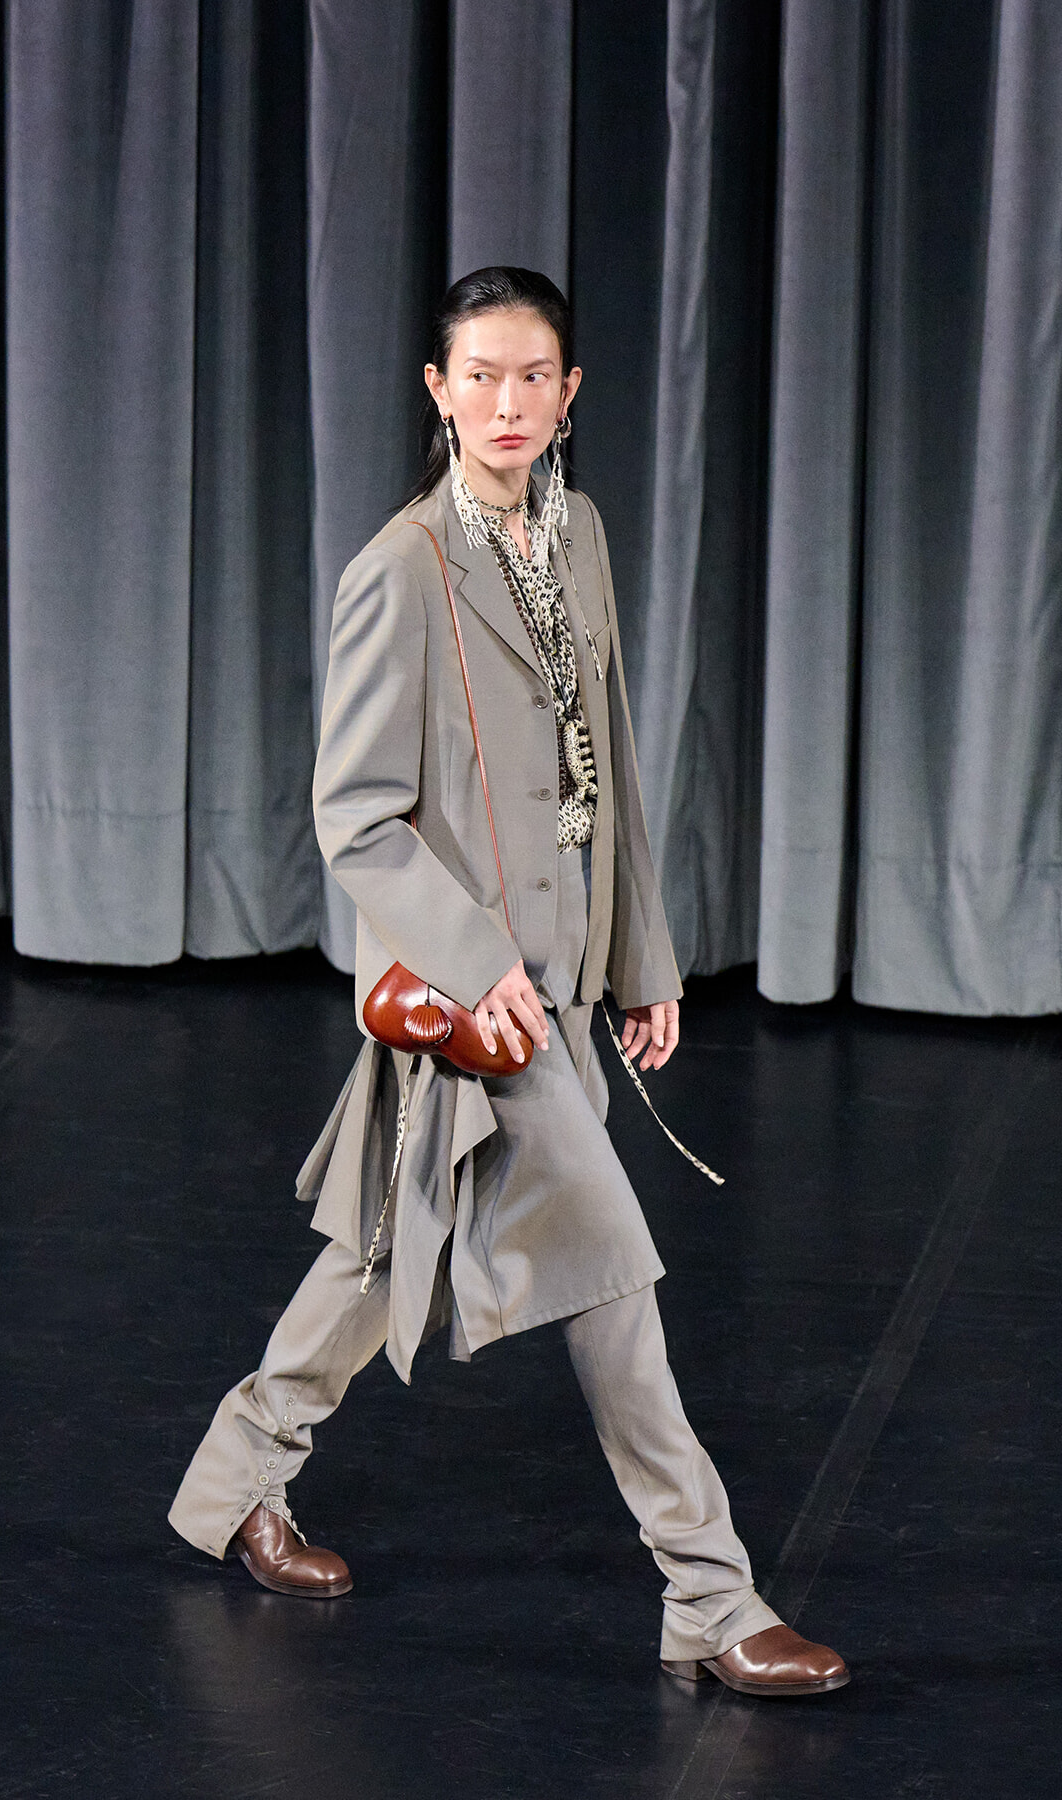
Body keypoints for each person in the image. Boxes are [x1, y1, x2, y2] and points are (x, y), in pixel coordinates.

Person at [169, 267, 849, 1698]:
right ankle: (710, 1595)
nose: (507, 402)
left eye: (534, 375)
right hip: (479, 1003)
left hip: (566, 981)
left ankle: (236, 1478)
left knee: (377, 1254)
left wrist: (640, 955)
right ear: (437, 389)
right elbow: (355, 814)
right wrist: (480, 968)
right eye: (479, 374)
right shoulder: (401, 569)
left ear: (572, 390)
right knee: (615, 1280)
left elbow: (604, 759)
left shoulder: (576, 531)